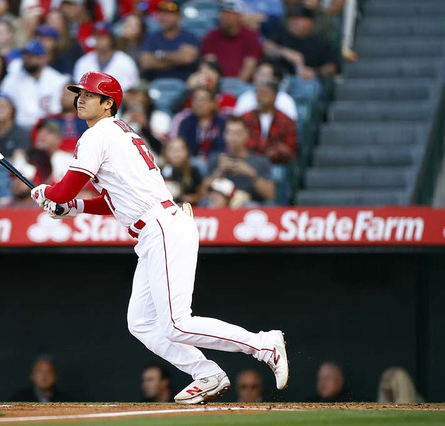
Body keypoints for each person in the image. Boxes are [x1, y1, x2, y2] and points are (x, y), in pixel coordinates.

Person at [31, 71, 289, 405]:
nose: (80, 98)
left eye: (89, 94)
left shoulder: (98, 135)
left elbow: (64, 188)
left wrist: (47, 193)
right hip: (156, 226)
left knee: (177, 324)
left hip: (161, 227)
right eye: (78, 93)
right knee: (140, 322)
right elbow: (115, 199)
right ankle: (206, 373)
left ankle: (263, 344)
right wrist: (74, 207)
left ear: (108, 103)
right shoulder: (118, 133)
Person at [0, 39, 69, 129]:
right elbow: (2, 99)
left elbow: (57, 110)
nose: (28, 59)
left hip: (47, 127)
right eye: (26, 56)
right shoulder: (13, 77)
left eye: (32, 56)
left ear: (44, 58)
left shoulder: (57, 79)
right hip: (20, 127)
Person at [206, 116, 275, 205]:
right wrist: (219, 171)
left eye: (238, 133)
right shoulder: (215, 159)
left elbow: (270, 195)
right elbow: (203, 193)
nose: (234, 138)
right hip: (221, 206)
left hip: (249, 207)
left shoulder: (261, 161)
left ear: (246, 134)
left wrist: (252, 174)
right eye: (230, 133)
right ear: (225, 135)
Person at [262, 5, 339, 81]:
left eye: (298, 19)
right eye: (290, 19)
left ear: (310, 22)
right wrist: (285, 52)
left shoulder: (320, 43)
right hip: (277, 79)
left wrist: (315, 72)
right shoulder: (280, 34)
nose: (293, 22)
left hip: (304, 80)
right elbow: (267, 47)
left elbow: (333, 67)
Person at [139, 1, 200, 81]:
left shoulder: (189, 37)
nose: (164, 17)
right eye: (162, 14)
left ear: (179, 17)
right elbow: (145, 62)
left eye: (169, 14)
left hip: (183, 84)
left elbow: (188, 58)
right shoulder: (152, 37)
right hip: (155, 83)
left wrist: (160, 55)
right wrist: (178, 59)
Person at [201, 0, 261, 81]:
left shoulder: (251, 36)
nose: (225, 17)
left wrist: (238, 84)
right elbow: (210, 64)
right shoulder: (211, 36)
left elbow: (250, 64)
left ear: (239, 16)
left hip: (242, 84)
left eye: (230, 14)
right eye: (223, 13)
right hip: (217, 83)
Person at [72, 23, 139, 93]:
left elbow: (130, 89)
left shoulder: (125, 61)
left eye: (103, 37)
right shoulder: (83, 61)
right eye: (97, 36)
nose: (99, 40)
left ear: (111, 39)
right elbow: (79, 88)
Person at [242, 80, 296, 164]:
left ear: (274, 96)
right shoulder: (245, 118)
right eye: (258, 93)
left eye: (265, 93)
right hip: (248, 162)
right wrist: (269, 148)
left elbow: (289, 149)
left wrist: (273, 151)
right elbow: (241, 142)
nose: (260, 96)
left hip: (276, 164)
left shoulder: (286, 121)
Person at [176, 87, 225, 168]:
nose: (198, 103)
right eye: (195, 99)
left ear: (212, 103)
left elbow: (223, 147)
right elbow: (183, 146)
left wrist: (209, 159)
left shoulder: (221, 123)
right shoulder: (186, 123)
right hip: (190, 164)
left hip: (215, 163)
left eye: (202, 99)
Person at [119, 80, 170, 154]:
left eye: (136, 94)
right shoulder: (120, 117)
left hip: (153, 163)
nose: (132, 97)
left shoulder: (160, 117)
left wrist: (145, 127)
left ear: (147, 98)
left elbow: (162, 150)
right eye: (130, 94)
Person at [34, 85, 89, 154]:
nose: (64, 97)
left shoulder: (87, 120)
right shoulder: (50, 119)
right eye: (63, 93)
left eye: (68, 94)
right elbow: (39, 142)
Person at [161, 138, 203, 206]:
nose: (176, 153)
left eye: (180, 149)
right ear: (166, 152)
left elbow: (200, 195)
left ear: (187, 151)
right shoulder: (159, 171)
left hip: (189, 209)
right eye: (172, 149)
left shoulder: (193, 171)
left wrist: (189, 198)